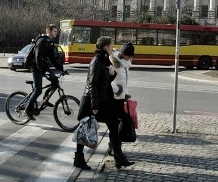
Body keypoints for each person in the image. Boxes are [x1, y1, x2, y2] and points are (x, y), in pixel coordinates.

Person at [75, 36, 134, 171]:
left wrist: (112, 73)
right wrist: (94, 105)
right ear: (106, 47)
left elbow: (105, 80)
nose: (112, 48)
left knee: (113, 126)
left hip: (104, 101)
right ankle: (78, 158)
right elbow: (92, 83)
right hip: (93, 101)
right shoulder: (97, 61)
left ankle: (119, 158)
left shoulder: (104, 60)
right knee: (85, 129)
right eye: (111, 45)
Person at [108, 42, 137, 167]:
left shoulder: (124, 64)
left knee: (116, 123)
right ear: (123, 54)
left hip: (120, 97)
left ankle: (114, 149)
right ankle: (115, 149)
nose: (130, 59)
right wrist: (119, 91)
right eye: (128, 56)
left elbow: (123, 79)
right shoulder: (114, 63)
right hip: (114, 97)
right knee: (123, 121)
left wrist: (125, 93)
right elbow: (110, 81)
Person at [26, 23, 64, 117]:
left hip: (43, 66)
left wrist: (61, 69)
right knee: (38, 90)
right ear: (48, 31)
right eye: (54, 31)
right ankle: (27, 110)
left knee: (55, 81)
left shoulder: (50, 42)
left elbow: (52, 59)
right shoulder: (42, 41)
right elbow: (38, 58)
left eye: (56, 31)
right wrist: (44, 72)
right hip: (35, 66)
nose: (56, 33)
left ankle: (45, 100)